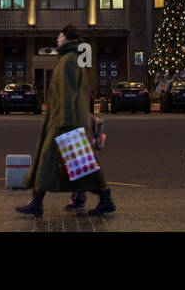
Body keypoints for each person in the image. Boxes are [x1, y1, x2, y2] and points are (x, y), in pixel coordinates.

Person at [16, 25, 115, 217]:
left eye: (59, 36)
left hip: (65, 123)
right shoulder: (69, 60)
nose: (57, 39)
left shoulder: (68, 61)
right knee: (74, 165)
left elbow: (68, 94)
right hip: (64, 121)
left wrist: (65, 122)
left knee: (66, 164)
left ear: (67, 39)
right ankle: (38, 202)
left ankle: (105, 198)